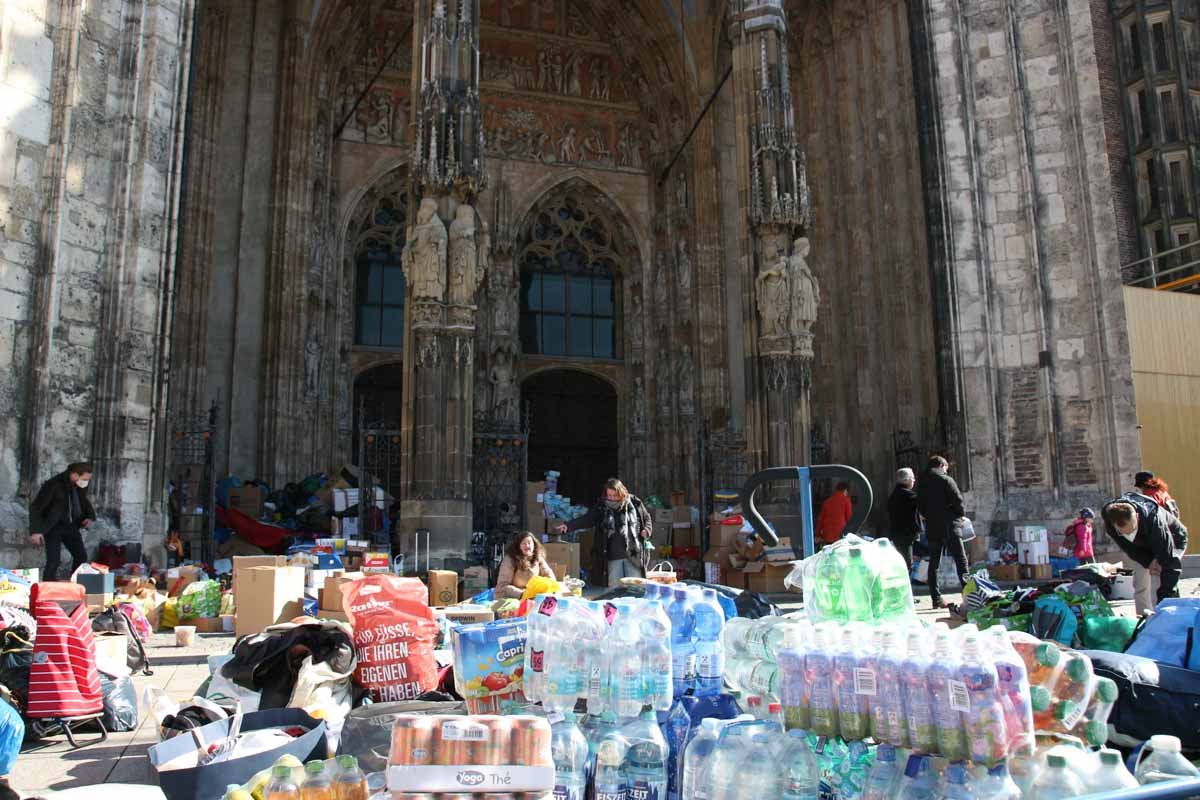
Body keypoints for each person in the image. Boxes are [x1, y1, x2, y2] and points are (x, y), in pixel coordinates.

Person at [1101, 490, 1187, 615]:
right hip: (1143, 545)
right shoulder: (1110, 520)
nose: (1129, 535)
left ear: (1137, 516)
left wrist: (1164, 605)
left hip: (1173, 538)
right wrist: (1148, 561)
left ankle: (1172, 614)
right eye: (1123, 533)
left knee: (1166, 576)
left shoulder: (1153, 519)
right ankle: (1144, 618)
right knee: (1142, 580)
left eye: (1132, 530)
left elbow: (1170, 562)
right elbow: (1129, 548)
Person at [556, 478, 651, 587]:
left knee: (636, 588)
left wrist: (647, 530)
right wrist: (569, 525)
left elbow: (646, 517)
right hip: (612, 557)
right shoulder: (602, 506)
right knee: (614, 590)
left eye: (615, 495)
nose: (611, 499)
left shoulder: (634, 502)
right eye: (609, 495)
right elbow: (588, 519)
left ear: (622, 493)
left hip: (634, 555)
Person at [915, 456, 969, 608]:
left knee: (934, 562)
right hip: (950, 524)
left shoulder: (923, 484)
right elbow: (958, 500)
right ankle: (968, 595)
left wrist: (930, 516)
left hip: (933, 526)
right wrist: (960, 515)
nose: (947, 470)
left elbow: (920, 506)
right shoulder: (946, 480)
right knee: (961, 559)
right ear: (940, 465)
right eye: (946, 467)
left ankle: (936, 598)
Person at [29, 462, 96, 581]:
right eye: (84, 479)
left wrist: (89, 516)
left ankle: (76, 585)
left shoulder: (79, 486)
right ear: (75, 475)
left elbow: (83, 501)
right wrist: (36, 531)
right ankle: (48, 587)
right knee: (53, 561)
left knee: (81, 556)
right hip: (53, 526)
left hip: (71, 526)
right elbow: (36, 507)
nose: (86, 482)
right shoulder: (53, 484)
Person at [494, 531, 556, 599]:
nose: (527, 546)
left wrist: (551, 588)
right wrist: (523, 594)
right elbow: (502, 586)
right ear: (518, 546)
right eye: (523, 543)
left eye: (529, 543)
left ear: (534, 545)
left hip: (533, 597)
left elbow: (549, 575)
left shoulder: (538, 557)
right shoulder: (510, 559)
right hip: (512, 598)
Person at [887, 468, 920, 570]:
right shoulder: (908, 495)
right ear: (906, 480)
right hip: (906, 533)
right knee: (907, 562)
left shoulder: (893, 495)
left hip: (896, 532)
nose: (914, 481)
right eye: (912, 478)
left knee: (901, 559)